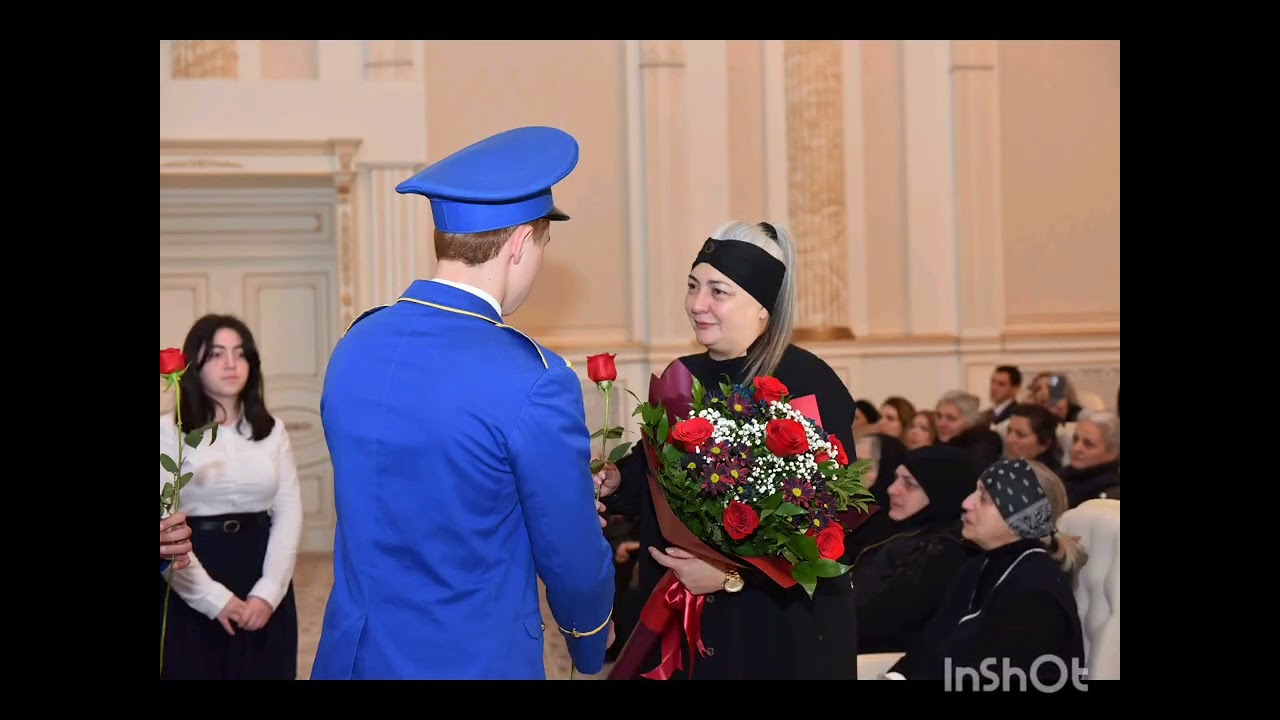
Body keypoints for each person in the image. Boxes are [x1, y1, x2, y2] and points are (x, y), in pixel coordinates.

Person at [311, 126, 616, 680]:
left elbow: (404, 492)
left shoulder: (356, 342)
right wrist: (590, 634)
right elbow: (571, 557)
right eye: (543, 246)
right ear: (521, 243)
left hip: (354, 655)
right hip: (472, 659)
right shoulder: (534, 376)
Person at [599, 221, 863, 680]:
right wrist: (618, 480)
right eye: (692, 285)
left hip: (777, 629)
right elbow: (663, 474)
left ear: (763, 305)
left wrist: (730, 577)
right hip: (682, 613)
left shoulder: (807, 382)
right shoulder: (683, 375)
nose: (697, 304)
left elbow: (827, 526)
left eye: (718, 291)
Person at [159, 315, 303, 680]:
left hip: (260, 565)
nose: (231, 364)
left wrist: (269, 592)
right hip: (193, 570)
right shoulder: (168, 431)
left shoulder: (272, 430)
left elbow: (288, 511)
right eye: (217, 354)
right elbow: (166, 524)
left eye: (240, 353)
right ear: (195, 364)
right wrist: (213, 599)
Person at [881, 458, 1087, 687]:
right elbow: (930, 646)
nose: (967, 503)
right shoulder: (979, 566)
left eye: (984, 499)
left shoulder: (1036, 595)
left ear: (1020, 515)